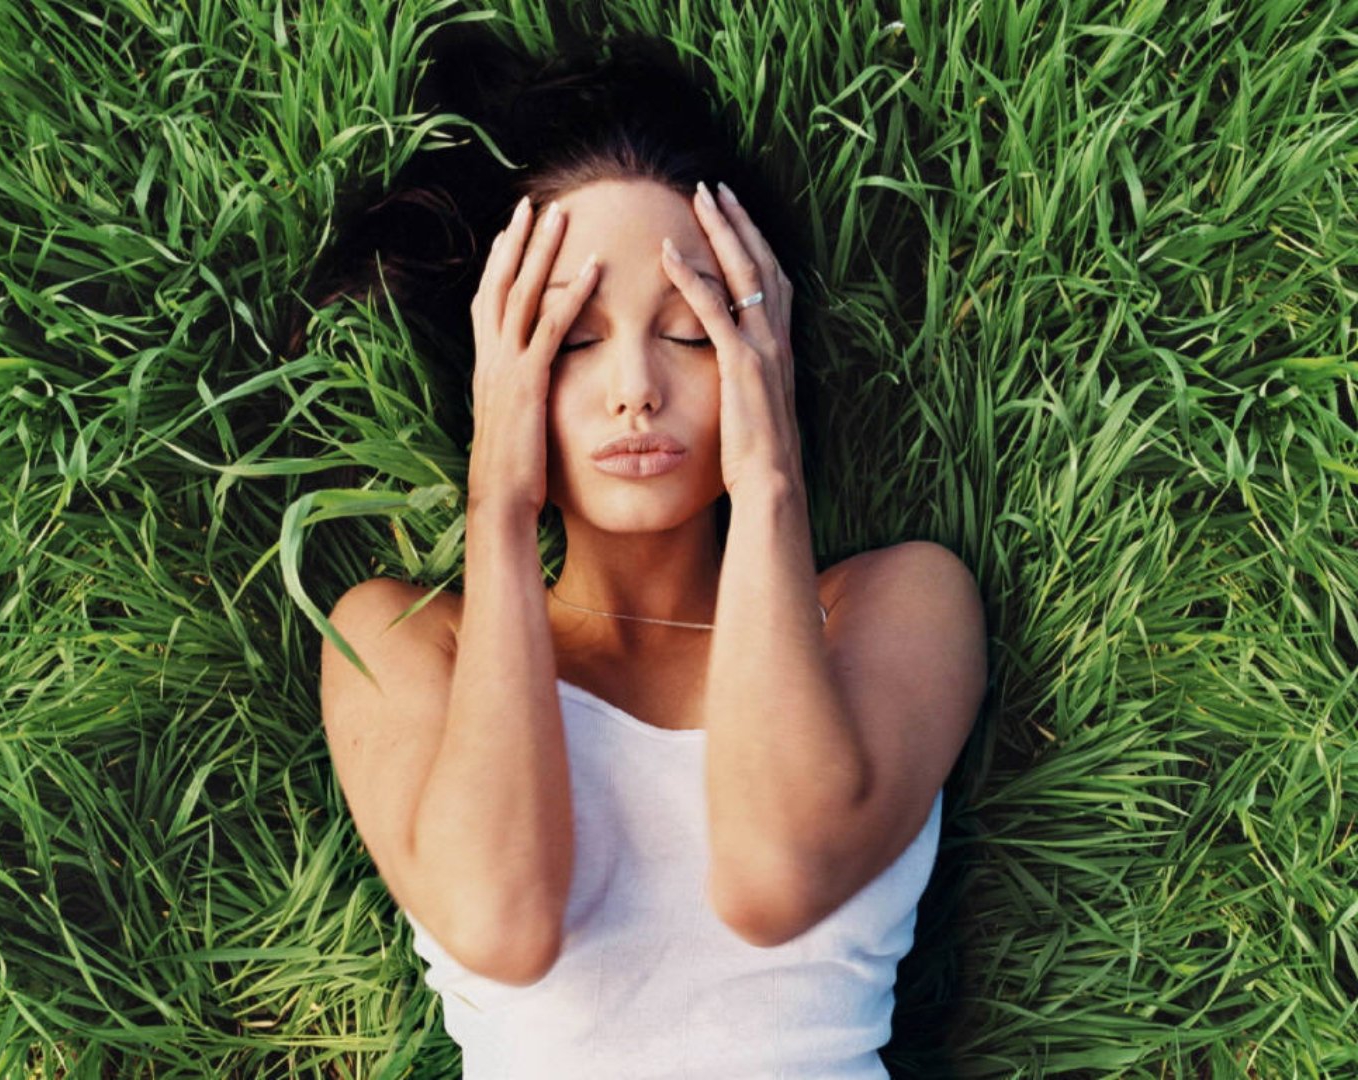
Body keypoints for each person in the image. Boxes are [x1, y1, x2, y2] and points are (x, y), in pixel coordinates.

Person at [314, 21, 987, 1079]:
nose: (635, 387)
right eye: (573, 340)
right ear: (502, 371)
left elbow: (774, 878)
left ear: (762, 352)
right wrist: (498, 504)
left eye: (689, 331)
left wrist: (770, 481)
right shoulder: (400, 639)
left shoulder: (898, 604)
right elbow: (502, 923)